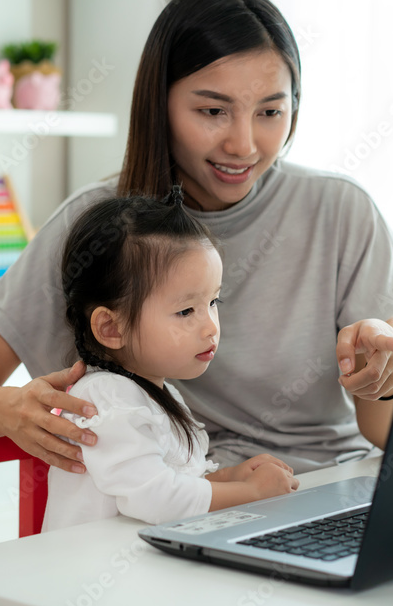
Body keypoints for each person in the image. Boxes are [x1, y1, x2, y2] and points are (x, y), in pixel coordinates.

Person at [0, 0, 393, 475]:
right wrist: (12, 410)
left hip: (332, 488)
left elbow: (382, 428)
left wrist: (388, 378)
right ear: (159, 103)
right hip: (183, 503)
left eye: (271, 111)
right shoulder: (99, 221)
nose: (243, 144)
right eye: (212, 111)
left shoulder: (341, 209)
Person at [42, 191, 298, 531]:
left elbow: (175, 480)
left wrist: (229, 476)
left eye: (213, 302)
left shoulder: (154, 393)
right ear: (111, 327)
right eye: (186, 311)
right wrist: (247, 492)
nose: (210, 326)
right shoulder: (106, 399)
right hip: (91, 575)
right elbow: (155, 497)